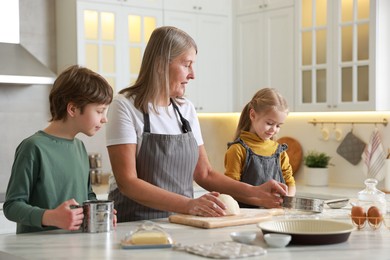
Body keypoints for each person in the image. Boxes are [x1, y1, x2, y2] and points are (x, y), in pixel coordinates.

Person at [106, 26, 288, 223]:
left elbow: (205, 174)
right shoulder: (124, 106)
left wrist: (255, 192)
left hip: (181, 223)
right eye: (186, 65)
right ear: (160, 64)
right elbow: (128, 183)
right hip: (135, 226)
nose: (192, 74)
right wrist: (189, 205)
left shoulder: (186, 109)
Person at [4, 65, 116, 233]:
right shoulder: (33, 148)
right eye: (100, 111)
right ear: (72, 109)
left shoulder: (80, 147)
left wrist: (99, 211)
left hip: (75, 248)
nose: (105, 119)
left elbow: (88, 196)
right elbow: (12, 206)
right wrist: (50, 216)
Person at [224, 88, 296, 208]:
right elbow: (231, 190)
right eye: (269, 123)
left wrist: (288, 202)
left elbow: (290, 182)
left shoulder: (280, 151)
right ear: (252, 115)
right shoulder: (237, 150)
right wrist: (261, 202)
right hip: (247, 216)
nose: (274, 130)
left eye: (278, 125)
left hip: (275, 215)